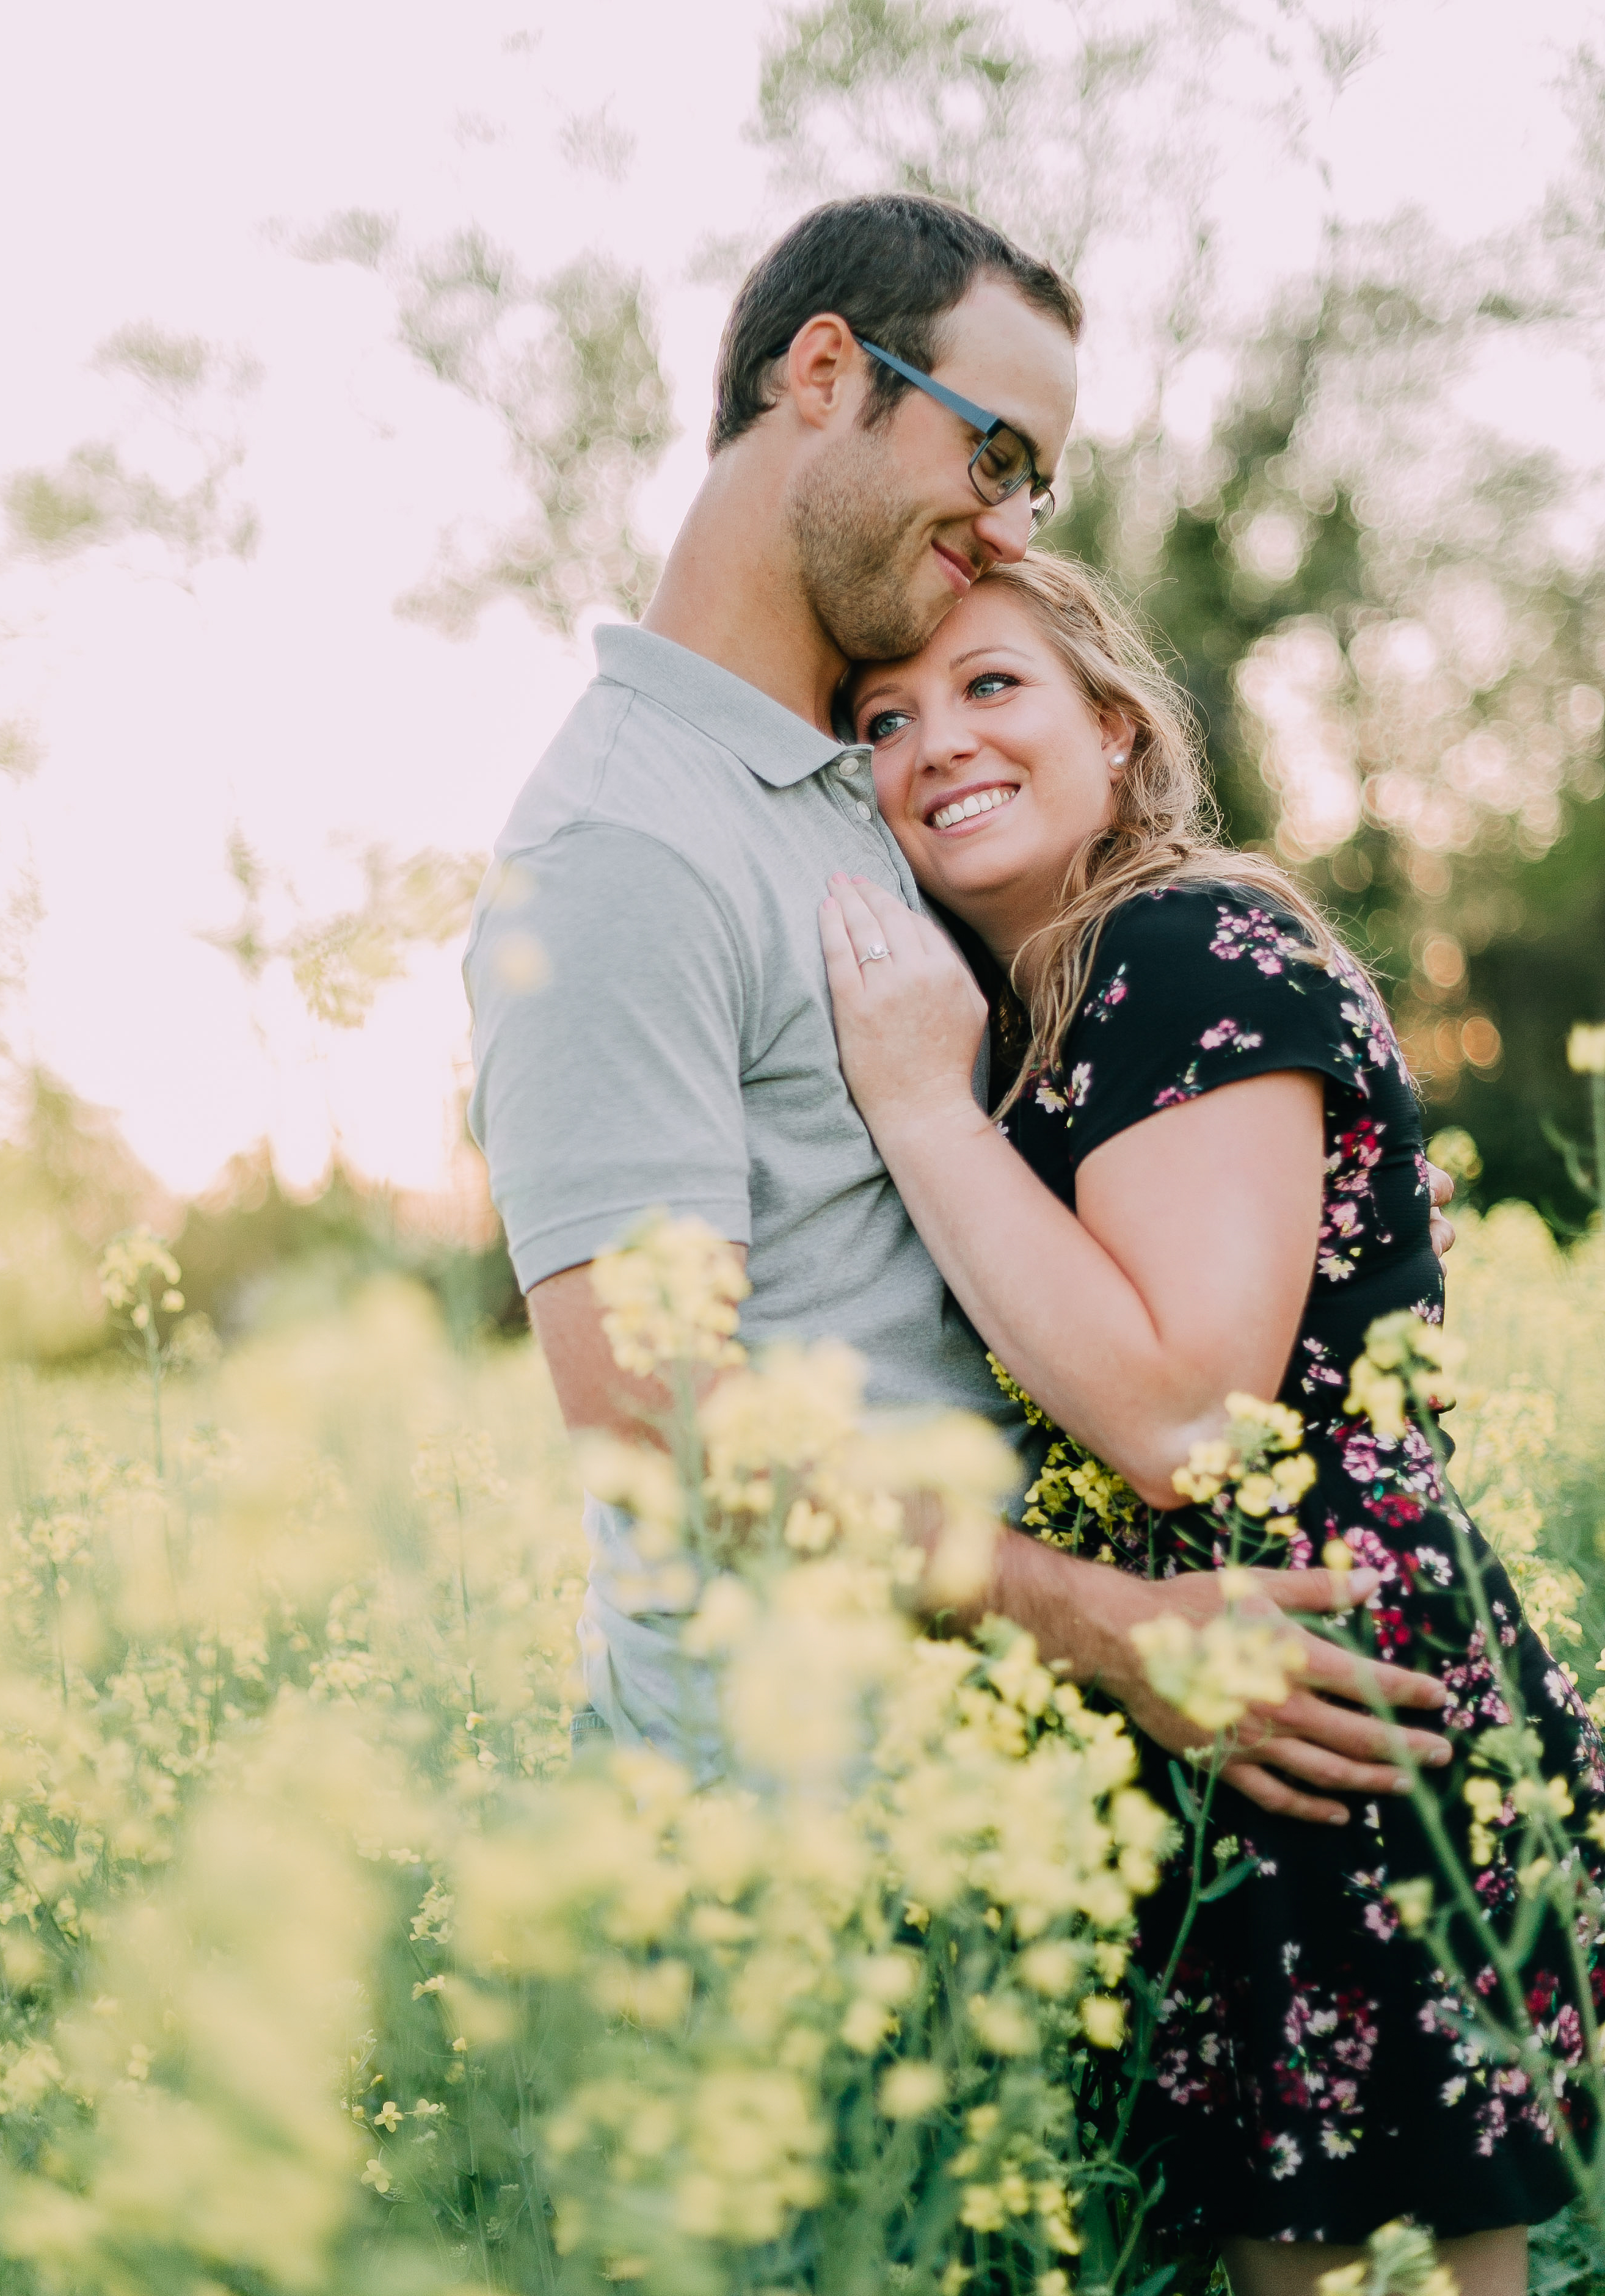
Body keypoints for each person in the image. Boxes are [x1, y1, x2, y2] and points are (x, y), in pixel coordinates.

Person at [466, 190, 1456, 1834]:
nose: (1010, 527)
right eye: (997, 456)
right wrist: (1104, 1621)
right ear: (826, 374)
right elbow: (665, 1428)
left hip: (994, 1812)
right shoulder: (619, 849)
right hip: (780, 1835)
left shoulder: (875, 785)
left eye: (1035, 487)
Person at [818, 552, 1605, 2296]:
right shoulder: (1056, 1004)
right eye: (882, 720)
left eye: (991, 688)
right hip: (1222, 1715)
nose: (935, 744)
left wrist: (916, 1108)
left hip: (1325, 1715)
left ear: (1116, 724)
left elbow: (1190, 1415)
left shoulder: (1185, 951)